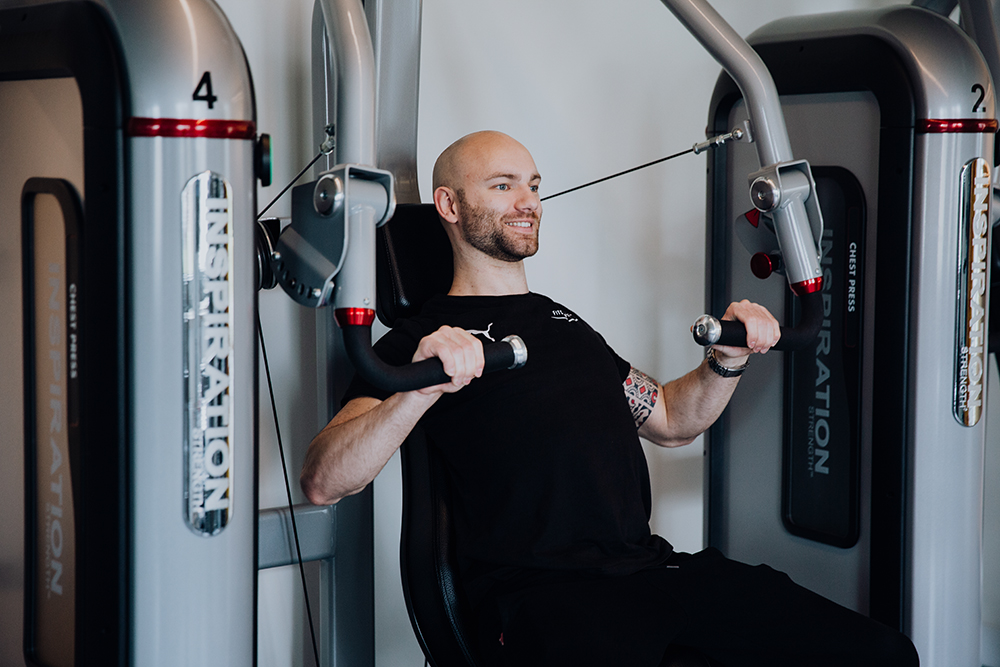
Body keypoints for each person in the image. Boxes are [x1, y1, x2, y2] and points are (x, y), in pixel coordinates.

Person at [300, 131, 918, 666]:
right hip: (546, 601)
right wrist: (424, 385)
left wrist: (726, 361)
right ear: (450, 205)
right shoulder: (419, 342)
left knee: (883, 655)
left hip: (650, 576)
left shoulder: (567, 326)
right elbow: (325, 478)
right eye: (503, 186)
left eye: (535, 185)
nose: (528, 202)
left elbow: (673, 418)